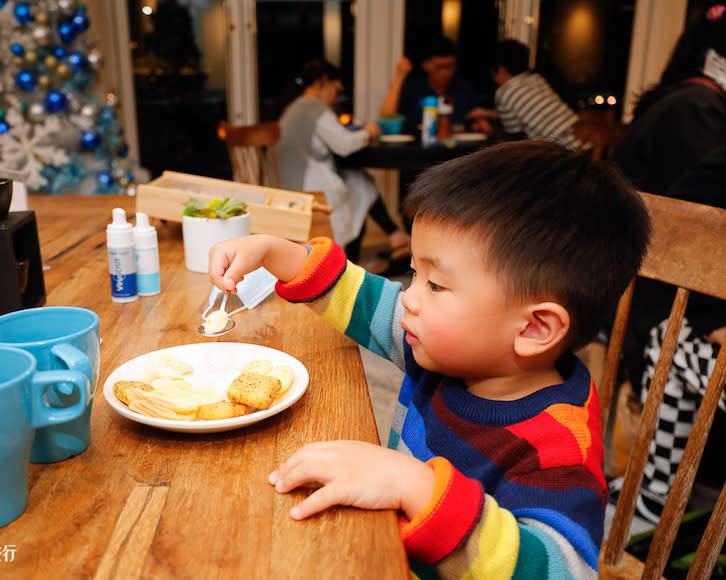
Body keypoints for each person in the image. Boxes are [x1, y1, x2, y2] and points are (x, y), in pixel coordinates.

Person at [208, 141, 651, 579]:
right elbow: (361, 297)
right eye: (415, 274)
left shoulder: (558, 450)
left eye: (435, 285)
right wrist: (275, 252)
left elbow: (563, 571)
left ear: (534, 329)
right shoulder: (446, 347)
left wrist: (415, 486)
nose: (410, 299)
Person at [606, 3, 726, 524]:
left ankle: (660, 498)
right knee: (674, 350)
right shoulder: (696, 112)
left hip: (656, 310)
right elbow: (692, 235)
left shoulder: (690, 105)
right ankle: (662, 500)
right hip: (654, 308)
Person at [276, 60, 410, 264]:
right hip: (310, 189)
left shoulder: (295, 108)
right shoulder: (315, 107)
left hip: (288, 186)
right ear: (324, 81)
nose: (335, 96)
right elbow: (344, 144)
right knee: (361, 186)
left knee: (360, 180)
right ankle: (358, 255)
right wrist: (369, 131)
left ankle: (387, 238)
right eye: (336, 89)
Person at [467, 40, 581, 150]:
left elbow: (514, 137)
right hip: (581, 139)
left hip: (563, 150)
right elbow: (525, 110)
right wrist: (485, 113)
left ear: (501, 70)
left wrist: (489, 131)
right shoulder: (536, 79)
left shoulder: (504, 92)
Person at [379, 36, 479, 136]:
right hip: (415, 149)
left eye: (450, 66)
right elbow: (386, 120)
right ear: (425, 65)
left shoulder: (463, 88)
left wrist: (479, 124)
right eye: (440, 67)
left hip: (457, 148)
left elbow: (475, 119)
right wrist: (399, 76)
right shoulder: (412, 89)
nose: (446, 72)